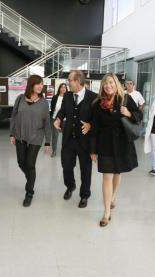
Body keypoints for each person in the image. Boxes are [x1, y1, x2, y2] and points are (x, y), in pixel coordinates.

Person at [90, 73, 142, 227]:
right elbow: (95, 128)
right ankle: (107, 212)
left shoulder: (124, 98)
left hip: (122, 142)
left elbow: (139, 115)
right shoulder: (98, 103)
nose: (108, 86)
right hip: (105, 143)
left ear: (116, 83)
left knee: (117, 173)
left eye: (111, 82)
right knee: (107, 176)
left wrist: (129, 113)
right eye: (106, 83)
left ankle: (112, 196)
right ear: (102, 86)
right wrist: (93, 150)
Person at [54, 70, 97, 208]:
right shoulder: (67, 95)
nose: (68, 83)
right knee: (66, 166)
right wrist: (58, 118)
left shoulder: (93, 97)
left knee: (85, 169)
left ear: (78, 81)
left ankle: (84, 195)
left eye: (70, 80)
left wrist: (91, 124)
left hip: (85, 141)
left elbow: (98, 119)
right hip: (68, 138)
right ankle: (70, 186)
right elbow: (62, 110)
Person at [10, 75, 51, 207]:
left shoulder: (44, 103)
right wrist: (12, 133)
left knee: (30, 163)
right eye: (38, 84)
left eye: (42, 84)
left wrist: (47, 141)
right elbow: (14, 116)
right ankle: (30, 179)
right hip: (20, 135)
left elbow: (47, 122)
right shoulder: (20, 99)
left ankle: (29, 192)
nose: (40, 86)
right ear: (31, 85)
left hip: (36, 137)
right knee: (21, 162)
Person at [50, 83, 67, 157]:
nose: (63, 89)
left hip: (65, 120)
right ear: (59, 88)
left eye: (64, 87)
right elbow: (52, 107)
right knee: (55, 135)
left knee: (66, 136)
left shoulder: (68, 98)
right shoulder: (55, 97)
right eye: (62, 87)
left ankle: (65, 151)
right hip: (54, 119)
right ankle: (54, 151)